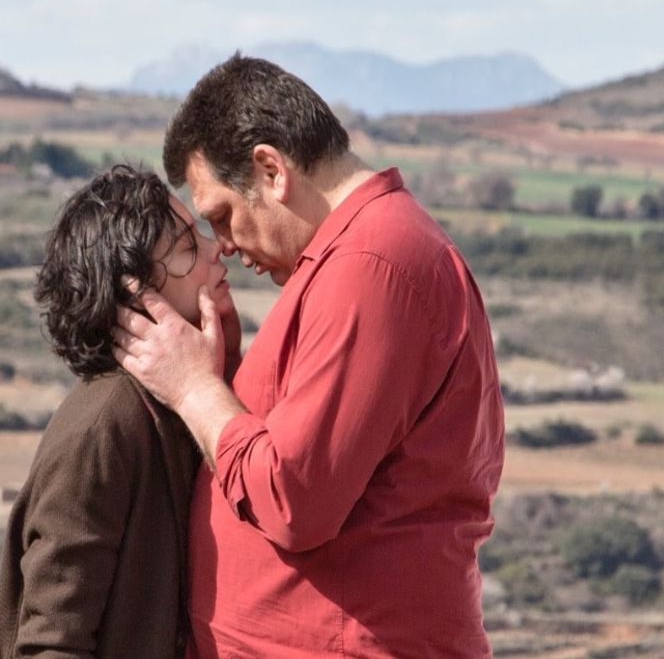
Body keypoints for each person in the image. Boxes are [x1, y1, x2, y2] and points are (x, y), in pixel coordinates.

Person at [113, 55, 506, 657]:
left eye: (223, 216)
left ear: (271, 170)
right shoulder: (358, 257)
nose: (225, 246)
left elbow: (293, 499)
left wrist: (194, 388)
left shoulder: (371, 267)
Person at [0, 164, 236, 659]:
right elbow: (52, 643)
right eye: (188, 248)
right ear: (135, 296)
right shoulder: (105, 426)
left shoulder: (172, 401)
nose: (217, 250)